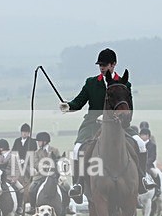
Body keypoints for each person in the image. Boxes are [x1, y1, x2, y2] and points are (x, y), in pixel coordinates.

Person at [59, 48, 154, 203]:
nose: (102, 67)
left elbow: (128, 108)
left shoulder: (124, 83)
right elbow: (79, 101)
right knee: (77, 150)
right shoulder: (91, 83)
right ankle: (78, 184)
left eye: (105, 64)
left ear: (113, 64)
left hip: (118, 125)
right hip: (92, 124)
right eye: (100, 65)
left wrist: (123, 121)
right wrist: (68, 106)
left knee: (141, 144)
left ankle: (143, 177)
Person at [27, 131, 69, 207]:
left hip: (54, 175)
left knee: (66, 187)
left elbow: (58, 160)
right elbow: (36, 164)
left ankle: (67, 206)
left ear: (44, 141)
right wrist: (44, 167)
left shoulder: (54, 150)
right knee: (31, 189)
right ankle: (33, 206)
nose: (38, 143)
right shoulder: (36, 152)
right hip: (40, 176)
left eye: (39, 141)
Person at [139, 127, 161, 198]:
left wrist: (146, 163)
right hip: (139, 165)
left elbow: (153, 156)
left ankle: (158, 189)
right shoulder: (138, 144)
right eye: (141, 135)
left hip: (149, 165)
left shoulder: (152, 145)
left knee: (155, 173)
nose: (142, 136)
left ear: (148, 136)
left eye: (144, 135)